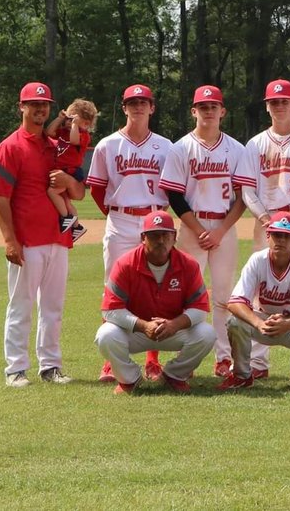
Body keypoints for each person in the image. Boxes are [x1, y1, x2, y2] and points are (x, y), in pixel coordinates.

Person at [0, 82, 83, 387]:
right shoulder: (10, 146)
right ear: (22, 107)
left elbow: (79, 193)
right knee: (21, 305)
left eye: (45, 105)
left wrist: (67, 178)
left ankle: (50, 366)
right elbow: (0, 197)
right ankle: (15, 368)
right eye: (34, 104)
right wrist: (9, 240)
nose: (40, 109)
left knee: (53, 307)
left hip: (58, 238)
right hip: (27, 240)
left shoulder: (57, 147)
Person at [233, 79, 290, 379]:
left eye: (285, 101)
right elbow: (247, 189)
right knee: (260, 291)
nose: (279, 106)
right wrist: (265, 219)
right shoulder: (255, 144)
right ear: (267, 106)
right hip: (265, 223)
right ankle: (258, 363)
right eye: (274, 102)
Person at [158, 85, 247, 378]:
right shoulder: (180, 147)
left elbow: (242, 196)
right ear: (194, 111)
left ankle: (224, 357)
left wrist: (220, 230)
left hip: (224, 226)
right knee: (185, 295)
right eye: (203, 107)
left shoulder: (236, 149)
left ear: (222, 111)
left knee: (223, 295)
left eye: (214, 107)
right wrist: (197, 229)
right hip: (190, 228)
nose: (209, 112)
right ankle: (187, 356)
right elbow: (174, 195)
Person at [86, 84, 172, 382]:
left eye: (143, 102)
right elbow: (97, 189)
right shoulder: (107, 145)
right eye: (132, 102)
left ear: (152, 107)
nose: (138, 106)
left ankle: (152, 359)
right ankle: (112, 361)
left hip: (155, 222)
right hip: (121, 220)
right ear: (124, 108)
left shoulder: (165, 146)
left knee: (155, 288)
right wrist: (113, 213)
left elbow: (174, 189)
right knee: (114, 288)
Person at [94, 211, 216, 394]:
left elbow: (200, 309)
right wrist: (144, 326)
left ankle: (174, 375)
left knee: (207, 333)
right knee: (106, 335)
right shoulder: (125, 264)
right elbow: (110, 311)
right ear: (143, 238)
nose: (160, 240)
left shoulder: (188, 265)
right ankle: (130, 379)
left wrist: (174, 325)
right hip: (136, 331)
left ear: (174, 237)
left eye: (165, 235)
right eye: (154, 235)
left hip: (172, 330)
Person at [220, 211, 290, 390]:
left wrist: (288, 324)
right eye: (276, 235)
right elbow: (235, 303)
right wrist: (259, 323)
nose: (281, 240)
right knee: (235, 322)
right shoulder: (257, 260)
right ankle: (242, 375)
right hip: (263, 323)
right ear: (268, 236)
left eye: (286, 236)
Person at [44, 97, 97, 241]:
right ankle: (76, 227)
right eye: (68, 118)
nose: (68, 121)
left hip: (71, 170)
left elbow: (74, 141)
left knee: (52, 191)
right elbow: (49, 132)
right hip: (63, 169)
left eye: (72, 119)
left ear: (85, 123)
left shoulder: (83, 135)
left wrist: (74, 125)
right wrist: (59, 119)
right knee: (66, 201)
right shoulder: (63, 131)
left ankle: (66, 217)